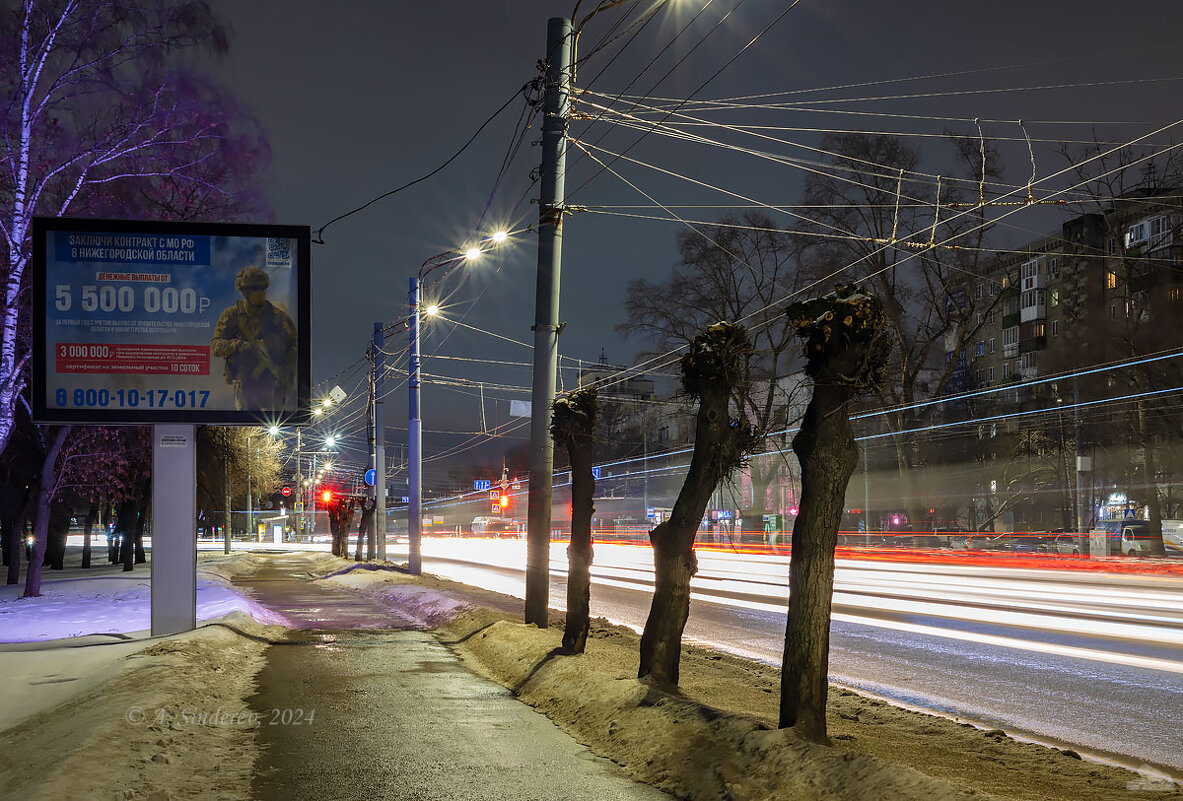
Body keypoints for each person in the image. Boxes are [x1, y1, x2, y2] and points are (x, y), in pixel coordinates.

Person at [211, 265, 297, 411]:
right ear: (245, 292)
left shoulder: (278, 317)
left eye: (263, 289)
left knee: (272, 423)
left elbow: (294, 347)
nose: (260, 293)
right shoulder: (232, 315)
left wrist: (285, 375)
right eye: (255, 289)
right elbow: (216, 347)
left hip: (272, 381)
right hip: (244, 382)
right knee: (246, 423)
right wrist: (239, 345)